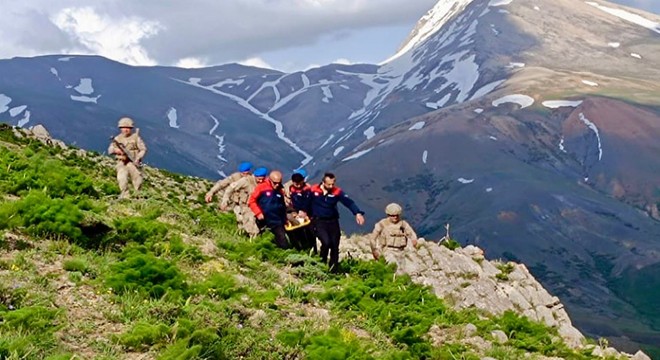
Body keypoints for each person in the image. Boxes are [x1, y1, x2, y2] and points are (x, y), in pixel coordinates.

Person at [307, 172, 364, 272]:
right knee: (326, 242)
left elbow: (348, 202)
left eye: (333, 184)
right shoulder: (313, 190)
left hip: (333, 221)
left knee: (334, 245)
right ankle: (321, 263)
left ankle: (334, 268)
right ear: (323, 182)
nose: (331, 186)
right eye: (328, 184)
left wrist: (357, 213)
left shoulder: (337, 192)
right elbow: (306, 203)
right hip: (319, 221)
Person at [248, 170, 289, 249]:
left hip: (277, 220)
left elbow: (282, 206)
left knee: (282, 240)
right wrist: (258, 213)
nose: (277, 185)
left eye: (279, 183)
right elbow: (251, 201)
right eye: (275, 183)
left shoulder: (280, 190)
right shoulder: (261, 187)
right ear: (270, 180)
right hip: (264, 219)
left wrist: (285, 219)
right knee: (266, 239)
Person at [221, 167, 267, 238]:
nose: (260, 181)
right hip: (247, 207)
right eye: (259, 179)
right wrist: (225, 200)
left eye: (262, 179)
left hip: (260, 207)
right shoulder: (245, 181)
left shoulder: (265, 183)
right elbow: (231, 188)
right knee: (251, 226)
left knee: (262, 227)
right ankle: (252, 243)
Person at [108, 117, 147, 199]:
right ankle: (125, 196)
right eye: (123, 128)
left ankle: (137, 197)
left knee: (138, 180)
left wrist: (138, 157)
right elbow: (110, 150)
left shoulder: (136, 138)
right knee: (122, 179)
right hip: (122, 162)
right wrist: (116, 150)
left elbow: (143, 149)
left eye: (128, 128)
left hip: (133, 162)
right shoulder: (117, 139)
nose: (125, 130)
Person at [370, 203, 418, 268]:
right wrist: (374, 250)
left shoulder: (403, 224)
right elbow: (373, 238)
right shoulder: (382, 224)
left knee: (412, 270)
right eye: (393, 216)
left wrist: (414, 239)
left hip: (402, 252)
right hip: (388, 251)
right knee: (394, 268)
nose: (395, 217)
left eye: (397, 215)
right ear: (388, 215)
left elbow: (411, 233)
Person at [285, 170, 316, 252]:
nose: (298, 186)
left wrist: (304, 211)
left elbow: (308, 201)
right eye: (296, 184)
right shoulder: (289, 189)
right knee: (298, 234)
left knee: (310, 234)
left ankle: (313, 251)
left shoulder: (307, 189)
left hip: (307, 215)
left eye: (300, 183)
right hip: (295, 213)